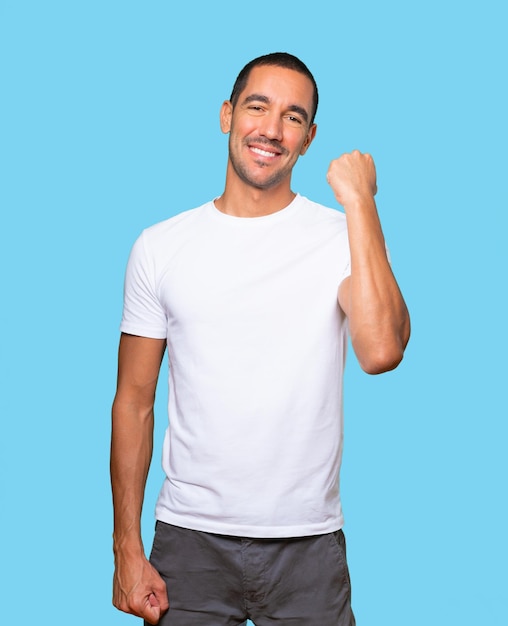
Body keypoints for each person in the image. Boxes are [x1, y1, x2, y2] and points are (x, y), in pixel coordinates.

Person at [111, 52, 410, 626]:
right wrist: (126, 548)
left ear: (309, 137)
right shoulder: (159, 246)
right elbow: (134, 400)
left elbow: (381, 351)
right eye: (258, 107)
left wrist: (360, 203)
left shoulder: (345, 236)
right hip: (188, 544)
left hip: (309, 550)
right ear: (227, 115)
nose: (272, 129)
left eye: (293, 117)